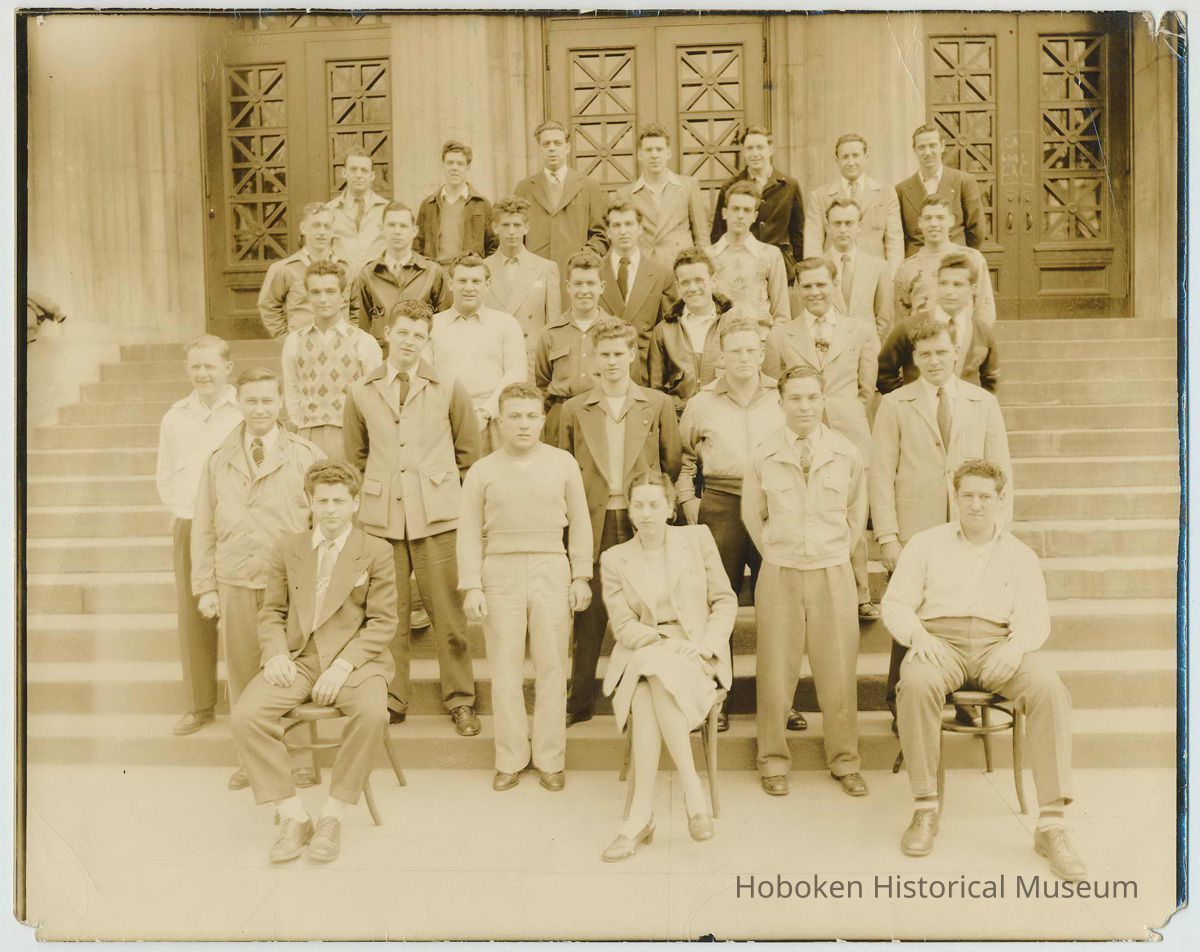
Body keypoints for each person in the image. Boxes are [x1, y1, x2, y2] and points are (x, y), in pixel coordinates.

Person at [883, 459, 1085, 883]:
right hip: (941, 644)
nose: (976, 505)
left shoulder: (1019, 554)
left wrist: (1016, 647)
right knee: (915, 684)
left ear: (1000, 500)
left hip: (999, 645)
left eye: (985, 497)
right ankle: (925, 807)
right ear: (955, 498)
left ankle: (1052, 825)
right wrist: (918, 636)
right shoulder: (925, 544)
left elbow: (1035, 617)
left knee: (1049, 687)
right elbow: (896, 603)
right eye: (967, 496)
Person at [229, 460, 398, 865]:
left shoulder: (376, 550)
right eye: (322, 501)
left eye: (340, 501)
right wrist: (275, 654)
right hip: (300, 660)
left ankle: (333, 815)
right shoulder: (289, 548)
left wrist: (344, 666)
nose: (331, 510)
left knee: (374, 713)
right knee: (246, 716)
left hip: (357, 662)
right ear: (310, 501)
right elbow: (271, 612)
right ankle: (294, 815)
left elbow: (383, 621)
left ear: (355, 503)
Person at [342, 299, 482, 736]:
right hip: (383, 520)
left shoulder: (447, 385)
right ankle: (392, 697)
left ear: (427, 341)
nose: (409, 342)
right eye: (403, 332)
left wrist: (444, 494)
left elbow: (469, 454)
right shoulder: (361, 390)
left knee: (449, 616)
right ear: (387, 333)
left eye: (419, 335)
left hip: (437, 518)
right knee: (389, 616)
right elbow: (355, 458)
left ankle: (460, 699)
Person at [871, 319, 1013, 731]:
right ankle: (902, 702)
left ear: (957, 353)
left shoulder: (981, 402)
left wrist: (1000, 529)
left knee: (962, 607)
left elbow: (1001, 469)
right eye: (925, 354)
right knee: (912, 610)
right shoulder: (896, 404)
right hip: (916, 526)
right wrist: (888, 536)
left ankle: (963, 696)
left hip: (972, 527)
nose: (934, 361)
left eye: (941, 352)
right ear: (914, 359)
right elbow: (881, 473)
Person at [191, 367, 325, 790]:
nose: (261, 408)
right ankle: (251, 759)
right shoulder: (219, 458)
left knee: (292, 670)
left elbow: (325, 521)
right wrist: (206, 586)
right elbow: (203, 526)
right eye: (252, 401)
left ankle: (300, 758)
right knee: (245, 672)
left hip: (289, 586)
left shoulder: (306, 455)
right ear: (240, 403)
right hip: (235, 579)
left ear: (281, 401)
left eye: (268, 400)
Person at [457, 383, 594, 792]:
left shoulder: (563, 463)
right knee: (505, 670)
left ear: (542, 419)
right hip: (499, 570)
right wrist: (472, 586)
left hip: (552, 566)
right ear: (499, 421)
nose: (523, 423)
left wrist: (581, 575)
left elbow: (582, 522)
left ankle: (551, 758)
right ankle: (511, 757)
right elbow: (466, 532)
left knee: (553, 667)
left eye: (531, 415)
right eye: (514, 416)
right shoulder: (483, 470)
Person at [742, 366, 868, 799]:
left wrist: (832, 553)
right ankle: (773, 761)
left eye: (812, 397)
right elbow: (751, 516)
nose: (805, 406)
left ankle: (845, 761)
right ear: (781, 403)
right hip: (780, 572)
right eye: (795, 398)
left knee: (838, 674)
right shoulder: (762, 455)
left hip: (833, 572)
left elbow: (857, 515)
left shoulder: (846, 453)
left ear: (823, 400)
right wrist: (779, 553)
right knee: (775, 674)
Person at [598, 472, 736, 861]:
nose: (646, 513)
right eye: (638, 505)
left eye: (654, 504)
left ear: (670, 509)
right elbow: (624, 625)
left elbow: (724, 601)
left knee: (647, 690)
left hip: (696, 654)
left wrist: (706, 645)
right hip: (647, 649)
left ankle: (640, 818)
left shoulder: (697, 540)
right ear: (629, 510)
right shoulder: (615, 558)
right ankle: (694, 793)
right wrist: (663, 643)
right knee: (653, 670)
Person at [558, 318, 682, 726]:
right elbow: (563, 466)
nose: (611, 362)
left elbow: (670, 461)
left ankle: (649, 694)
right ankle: (579, 701)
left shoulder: (656, 403)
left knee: (647, 603)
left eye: (619, 354)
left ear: (632, 355)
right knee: (589, 613)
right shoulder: (575, 409)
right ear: (594, 356)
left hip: (639, 517)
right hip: (592, 518)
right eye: (604, 354)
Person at [677, 315, 784, 730]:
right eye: (734, 350)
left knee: (775, 605)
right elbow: (684, 459)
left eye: (751, 349)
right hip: (720, 503)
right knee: (718, 605)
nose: (743, 357)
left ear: (761, 352)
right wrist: (689, 501)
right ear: (720, 356)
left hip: (773, 506)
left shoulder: (780, 396)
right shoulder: (702, 402)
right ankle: (717, 697)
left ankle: (778, 701)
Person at [763, 256, 880, 629]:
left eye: (821, 284)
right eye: (807, 285)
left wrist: (841, 416)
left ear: (834, 285)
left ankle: (860, 593)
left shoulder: (859, 331)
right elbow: (773, 383)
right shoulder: (782, 335)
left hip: (847, 430)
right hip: (799, 431)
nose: (814, 292)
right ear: (797, 289)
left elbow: (867, 388)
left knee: (850, 513)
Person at [155, 335, 242, 737]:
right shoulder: (175, 416)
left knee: (244, 614)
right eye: (195, 367)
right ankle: (198, 704)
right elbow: (167, 473)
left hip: (240, 524)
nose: (203, 373)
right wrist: (186, 512)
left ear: (227, 367)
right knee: (194, 615)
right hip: (191, 524)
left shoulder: (246, 409)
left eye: (210, 365)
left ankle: (252, 706)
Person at [281, 260, 383, 459]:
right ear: (308, 295)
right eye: (316, 292)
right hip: (307, 435)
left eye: (330, 291)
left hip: (350, 434)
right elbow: (291, 392)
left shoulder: (364, 342)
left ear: (343, 295)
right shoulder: (294, 342)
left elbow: (375, 397)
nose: (323, 299)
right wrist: (301, 434)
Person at [429, 252, 527, 453]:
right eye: (462, 280)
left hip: (494, 421)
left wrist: (484, 413)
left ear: (487, 285)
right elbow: (426, 375)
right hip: (444, 422)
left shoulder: (506, 324)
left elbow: (515, 375)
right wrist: (453, 415)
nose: (469, 287)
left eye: (476, 281)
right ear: (450, 283)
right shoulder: (433, 325)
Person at [879, 251, 999, 394]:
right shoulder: (910, 327)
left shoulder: (982, 332)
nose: (949, 291)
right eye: (944, 283)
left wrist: (973, 409)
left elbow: (991, 382)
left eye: (957, 284)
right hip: (918, 413)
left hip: (965, 414)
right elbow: (883, 374)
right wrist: (908, 404)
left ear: (972, 288)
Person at [534, 250, 619, 446]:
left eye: (591, 283)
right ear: (568, 287)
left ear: (602, 287)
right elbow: (542, 384)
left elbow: (629, 380)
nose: (584, 290)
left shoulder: (617, 331)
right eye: (578, 284)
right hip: (560, 415)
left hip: (603, 413)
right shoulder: (550, 333)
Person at [513, 119, 609, 278]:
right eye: (546, 144)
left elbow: (601, 235)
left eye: (557, 143)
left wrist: (583, 260)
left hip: (575, 275)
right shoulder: (524, 188)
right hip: (534, 275)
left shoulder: (588, 186)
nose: (552, 148)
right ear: (539, 149)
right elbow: (515, 233)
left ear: (567, 147)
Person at [710, 125, 805, 285]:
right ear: (743, 151)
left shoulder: (789, 186)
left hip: (780, 266)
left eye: (760, 147)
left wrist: (798, 269)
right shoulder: (730, 186)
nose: (755, 154)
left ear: (771, 149)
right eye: (749, 148)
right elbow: (718, 232)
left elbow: (798, 234)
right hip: (741, 266)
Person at [351, 201, 450, 353]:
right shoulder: (368, 275)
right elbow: (360, 328)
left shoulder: (432, 272)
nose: (397, 231)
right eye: (391, 225)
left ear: (414, 230)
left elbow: (445, 323)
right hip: (381, 360)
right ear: (381, 229)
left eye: (403, 226)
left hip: (421, 358)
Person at [649, 247, 735, 413]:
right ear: (678, 286)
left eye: (699, 280)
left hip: (725, 416)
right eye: (685, 282)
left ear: (713, 280)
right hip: (679, 419)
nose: (693, 288)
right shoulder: (664, 331)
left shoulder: (733, 324)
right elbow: (656, 390)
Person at [483, 196, 562, 374]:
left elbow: (553, 328)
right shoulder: (481, 269)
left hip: (532, 362)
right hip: (493, 360)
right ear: (495, 228)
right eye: (506, 225)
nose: (512, 231)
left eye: (517, 225)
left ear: (526, 228)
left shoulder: (546, 268)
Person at [597, 202, 674, 384]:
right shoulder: (594, 273)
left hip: (646, 374)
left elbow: (669, 333)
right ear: (608, 232)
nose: (623, 231)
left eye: (629, 224)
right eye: (616, 225)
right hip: (603, 373)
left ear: (639, 229)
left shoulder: (661, 274)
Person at [892, 195, 995, 327]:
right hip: (923, 344)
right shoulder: (907, 268)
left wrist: (974, 343)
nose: (934, 224)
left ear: (951, 220)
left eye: (940, 218)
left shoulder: (972, 259)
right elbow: (901, 321)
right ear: (920, 223)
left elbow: (984, 310)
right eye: (928, 218)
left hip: (962, 342)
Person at [616, 123, 709, 268]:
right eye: (648, 150)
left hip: (682, 268)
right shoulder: (625, 194)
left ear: (668, 153)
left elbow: (702, 237)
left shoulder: (688, 186)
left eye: (659, 149)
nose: (654, 155)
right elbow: (620, 240)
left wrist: (703, 271)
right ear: (640, 155)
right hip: (645, 269)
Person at [804, 133, 904, 266]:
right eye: (845, 157)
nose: (851, 162)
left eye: (856, 156)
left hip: (874, 274)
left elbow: (894, 241)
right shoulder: (820, 196)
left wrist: (891, 277)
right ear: (837, 160)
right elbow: (813, 243)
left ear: (865, 157)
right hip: (835, 274)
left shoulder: (886, 193)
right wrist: (817, 277)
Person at [258, 203, 349, 338]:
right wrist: (286, 338)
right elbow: (268, 305)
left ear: (333, 231)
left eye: (327, 226)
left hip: (341, 345)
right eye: (316, 225)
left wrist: (351, 334)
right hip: (302, 346)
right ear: (303, 228)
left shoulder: (347, 268)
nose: (322, 232)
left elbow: (357, 307)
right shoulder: (284, 269)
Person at [896, 124, 986, 258]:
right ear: (914, 150)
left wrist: (962, 256)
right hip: (919, 263)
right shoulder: (902, 189)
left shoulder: (964, 182)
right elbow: (899, 235)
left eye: (932, 145)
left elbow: (976, 230)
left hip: (955, 261)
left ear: (942, 146)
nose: (927, 152)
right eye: (921, 147)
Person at [709, 181, 792, 324]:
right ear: (724, 213)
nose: (740, 215)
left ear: (754, 216)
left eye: (747, 210)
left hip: (759, 340)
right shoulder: (708, 256)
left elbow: (781, 314)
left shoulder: (770, 255)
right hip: (719, 339)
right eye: (735, 209)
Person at [414, 140, 497, 265]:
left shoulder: (482, 204)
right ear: (443, 165)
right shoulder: (428, 205)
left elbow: (493, 246)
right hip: (435, 275)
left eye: (460, 163)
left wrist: (478, 272)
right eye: (450, 163)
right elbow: (417, 246)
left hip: (468, 275)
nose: (454, 168)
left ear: (468, 166)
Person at [822, 198, 895, 341]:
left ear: (860, 226)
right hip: (827, 350)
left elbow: (884, 319)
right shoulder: (816, 267)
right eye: (837, 223)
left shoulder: (878, 267)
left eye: (849, 223)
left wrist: (868, 349)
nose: (843, 229)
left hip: (866, 351)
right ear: (828, 226)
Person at [326, 148, 390, 282]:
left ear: (372, 176)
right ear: (344, 173)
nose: (358, 175)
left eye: (364, 170)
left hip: (377, 287)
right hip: (341, 288)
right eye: (353, 169)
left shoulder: (387, 210)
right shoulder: (330, 211)